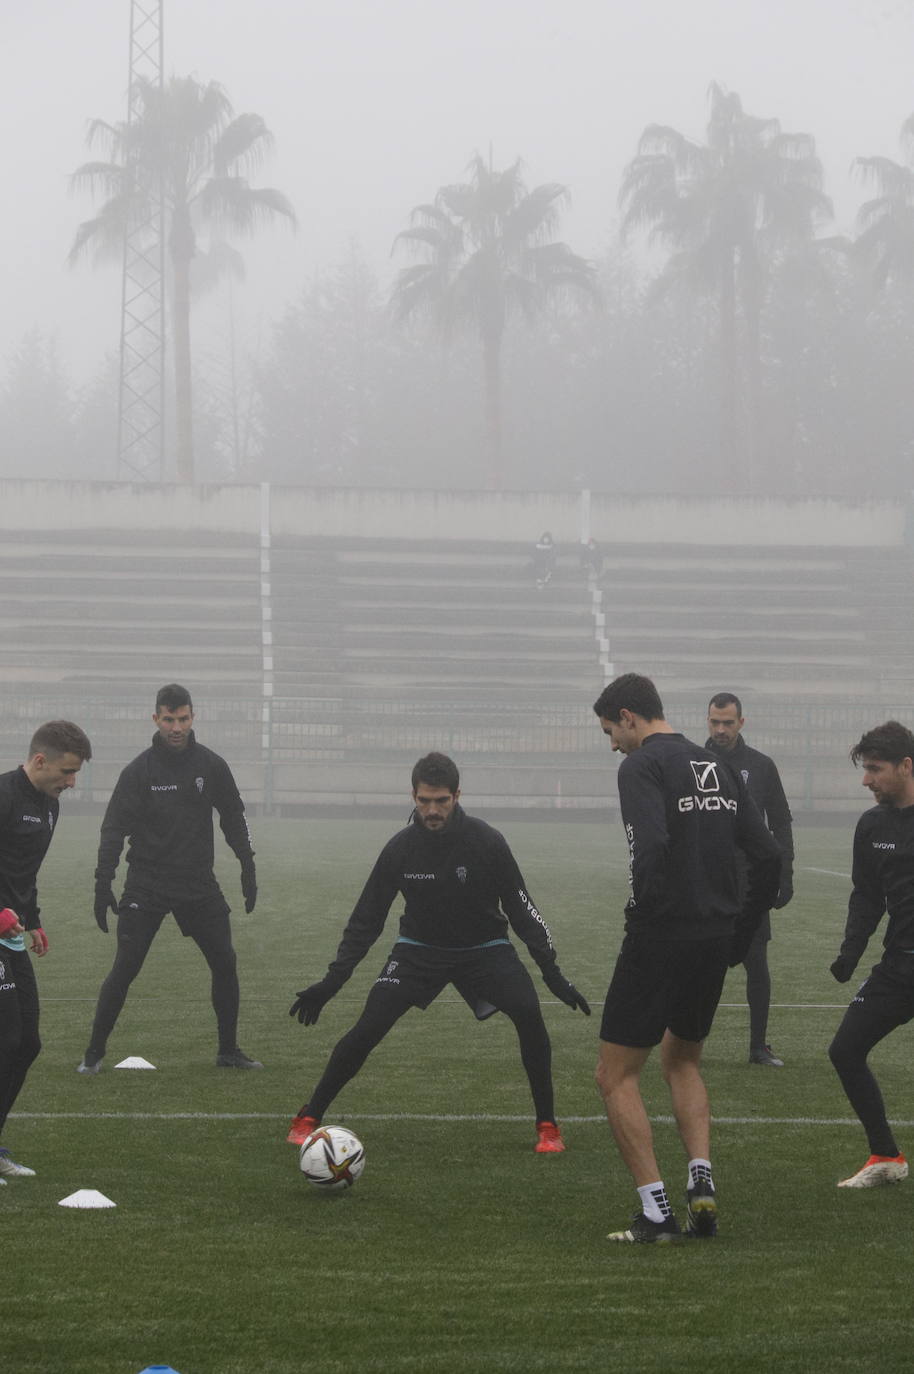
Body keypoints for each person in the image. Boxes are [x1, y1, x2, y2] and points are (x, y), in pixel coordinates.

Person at [286, 752, 589, 1154]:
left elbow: (522, 909)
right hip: (418, 950)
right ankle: (310, 1115)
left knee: (529, 1013)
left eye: (441, 801)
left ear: (457, 796)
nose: (432, 810)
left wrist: (553, 974)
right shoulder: (399, 849)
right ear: (413, 796)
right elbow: (365, 921)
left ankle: (547, 1126)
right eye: (424, 801)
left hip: (485, 949)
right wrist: (331, 983)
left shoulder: (487, 842)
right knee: (368, 1026)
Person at [592, 674, 781, 1242]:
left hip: (661, 935)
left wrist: (642, 911)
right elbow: (767, 854)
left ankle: (655, 1213)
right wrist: (739, 934)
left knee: (615, 1075)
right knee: (684, 1060)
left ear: (629, 717)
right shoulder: (716, 764)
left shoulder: (641, 766)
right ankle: (702, 1182)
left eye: (610, 731)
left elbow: (648, 848)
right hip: (713, 937)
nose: (612, 745)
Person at [77, 684, 260, 1074]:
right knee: (125, 967)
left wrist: (247, 863)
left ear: (193, 718)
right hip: (147, 883)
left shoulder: (211, 766)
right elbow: (113, 830)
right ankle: (93, 1054)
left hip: (198, 884)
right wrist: (102, 882)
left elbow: (233, 815)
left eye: (182, 719)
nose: (176, 727)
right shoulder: (138, 771)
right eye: (168, 719)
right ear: (156, 719)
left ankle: (228, 1051)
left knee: (225, 961)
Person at [0, 720, 92, 1180]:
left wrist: (31, 919)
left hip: (11, 934)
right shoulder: (3, 795)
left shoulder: (50, 805)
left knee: (27, 1042)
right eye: (67, 772)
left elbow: (24, 870)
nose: (72, 782)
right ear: (39, 761)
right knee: (7, 1037)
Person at [828, 720, 914, 1189]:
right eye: (864, 770)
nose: (866, 780)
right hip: (900, 966)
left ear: (906, 766)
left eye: (875, 770)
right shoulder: (873, 824)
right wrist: (850, 952)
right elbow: (866, 896)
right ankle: (886, 1155)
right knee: (845, 1049)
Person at [706, 692, 795, 1067]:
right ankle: (685, 1044)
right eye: (715, 722)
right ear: (707, 721)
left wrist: (785, 875)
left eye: (728, 722)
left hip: (750, 882)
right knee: (699, 962)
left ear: (742, 722)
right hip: (706, 880)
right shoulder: (693, 763)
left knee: (756, 962)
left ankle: (758, 1046)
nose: (721, 729)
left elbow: (780, 822)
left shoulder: (760, 765)